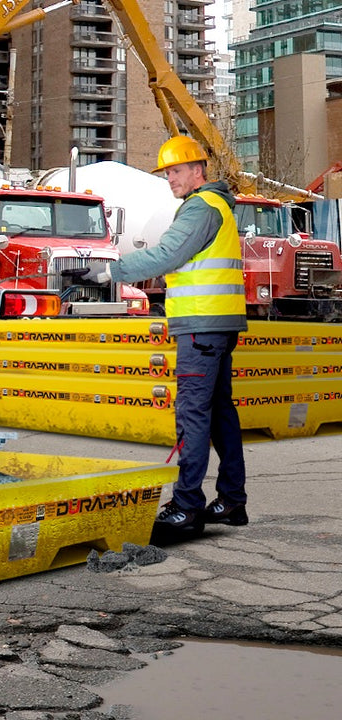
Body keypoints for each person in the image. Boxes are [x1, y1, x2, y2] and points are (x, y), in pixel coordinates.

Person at [83, 136, 248, 537]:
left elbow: (166, 255)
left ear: (198, 170)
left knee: (193, 414)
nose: (170, 179)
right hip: (218, 325)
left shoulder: (200, 208)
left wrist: (112, 270)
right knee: (220, 413)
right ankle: (231, 501)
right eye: (166, 173)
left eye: (175, 171)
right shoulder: (216, 207)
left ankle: (187, 507)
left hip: (200, 328)